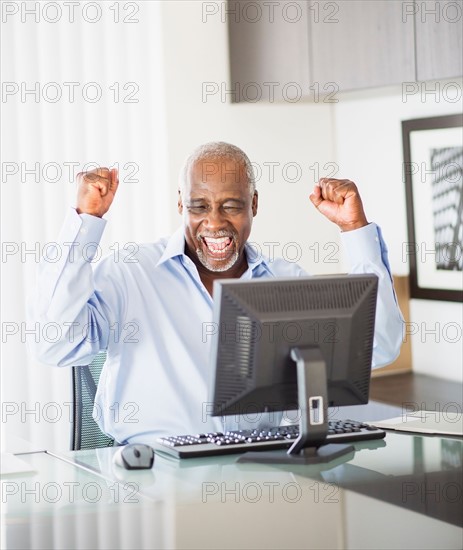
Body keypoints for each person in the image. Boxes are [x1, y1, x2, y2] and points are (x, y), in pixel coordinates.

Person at [28, 142, 404, 445]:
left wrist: (355, 230)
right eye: (199, 206)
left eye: (231, 206)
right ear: (180, 204)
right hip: (154, 474)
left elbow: (381, 346)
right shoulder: (130, 272)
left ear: (254, 205)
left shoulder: (284, 281)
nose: (214, 222)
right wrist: (84, 221)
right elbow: (55, 344)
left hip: (258, 470)